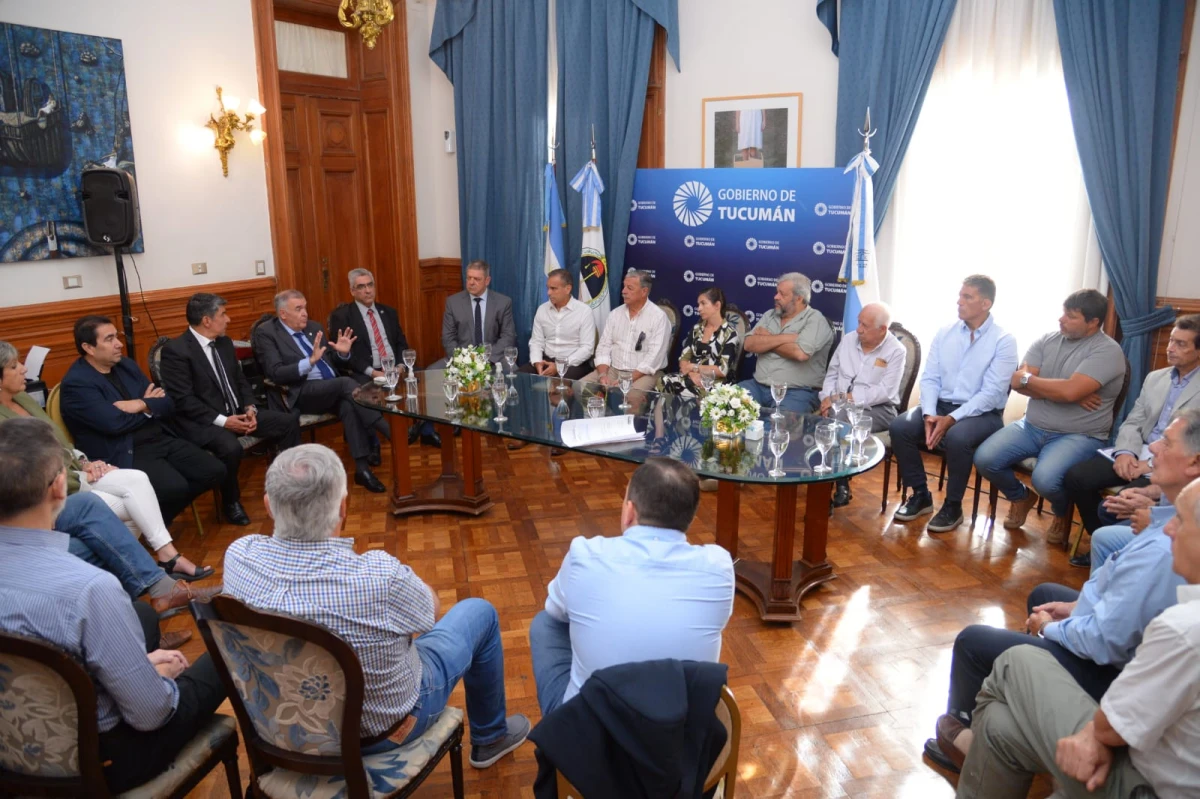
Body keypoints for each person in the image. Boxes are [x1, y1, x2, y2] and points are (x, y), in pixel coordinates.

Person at [923, 409, 1200, 774]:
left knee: (973, 641)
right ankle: (1027, 700)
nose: (1154, 446)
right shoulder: (1170, 516)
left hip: (1112, 671)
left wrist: (1046, 628)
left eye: (1166, 442)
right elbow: (1118, 597)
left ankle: (967, 742)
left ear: (1194, 463)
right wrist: (1076, 606)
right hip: (1119, 643)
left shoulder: (1167, 546)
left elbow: (1107, 639)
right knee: (1045, 594)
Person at [223, 444, 529, 768]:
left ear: (268, 506)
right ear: (343, 506)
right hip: (382, 732)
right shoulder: (377, 577)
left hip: (281, 729)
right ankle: (491, 737)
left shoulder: (239, 557)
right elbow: (430, 613)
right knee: (479, 612)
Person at [0, 417, 227, 793]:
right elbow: (151, 716)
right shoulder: (90, 589)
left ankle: (133, 669)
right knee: (227, 646)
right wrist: (156, 678)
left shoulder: (88, 592)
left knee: (140, 616)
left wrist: (136, 668)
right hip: (101, 761)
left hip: (13, 747)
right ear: (60, 486)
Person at [950, 475, 1200, 799]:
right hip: (1153, 754)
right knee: (998, 726)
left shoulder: (1184, 628)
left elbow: (1111, 724)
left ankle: (968, 731)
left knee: (1017, 658)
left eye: (1179, 521)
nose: (1167, 529)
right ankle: (980, 736)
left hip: (1146, 784)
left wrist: (1096, 735)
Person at [529, 458, 734, 717]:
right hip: (683, 743)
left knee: (545, 624)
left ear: (629, 511)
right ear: (689, 518)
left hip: (589, 738)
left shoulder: (585, 555)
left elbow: (556, 611)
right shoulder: (719, 567)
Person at [0, 340, 211, 580]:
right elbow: (27, 472)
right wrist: (80, 475)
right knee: (132, 508)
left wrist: (85, 462)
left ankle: (164, 557)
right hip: (46, 495)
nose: (24, 369)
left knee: (137, 480)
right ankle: (145, 567)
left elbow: (59, 442)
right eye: (14, 366)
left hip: (75, 471)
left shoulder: (22, 398)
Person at [974, 289, 1126, 544]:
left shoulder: (1107, 351)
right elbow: (1015, 382)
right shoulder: (1046, 340)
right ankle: (1020, 497)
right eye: (1063, 313)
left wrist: (1037, 383)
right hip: (1031, 426)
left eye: (1071, 316)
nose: (1061, 320)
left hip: (1079, 435)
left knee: (1045, 480)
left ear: (1093, 323)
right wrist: (1068, 392)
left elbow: (1051, 387)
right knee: (984, 458)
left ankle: (1061, 510)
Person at [59, 315, 227, 527]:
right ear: (88, 348)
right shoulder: (77, 383)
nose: (119, 344)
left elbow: (167, 403)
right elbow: (114, 424)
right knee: (174, 487)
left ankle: (151, 520)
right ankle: (148, 525)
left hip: (159, 437)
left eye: (117, 337)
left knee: (215, 470)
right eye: (109, 339)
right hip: (123, 449)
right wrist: (149, 406)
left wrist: (139, 404)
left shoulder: (126, 366)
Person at [1063, 314, 1200, 565]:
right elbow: (1134, 420)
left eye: (1181, 344)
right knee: (1077, 477)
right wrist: (1126, 452)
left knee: (1115, 505)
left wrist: (1148, 465)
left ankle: (1122, 551)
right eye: (1171, 341)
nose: (1170, 348)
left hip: (1171, 460)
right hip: (1140, 449)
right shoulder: (1156, 377)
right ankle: (1103, 542)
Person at [890, 276, 1018, 533]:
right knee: (900, 426)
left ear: (985, 303)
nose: (958, 302)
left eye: (967, 297)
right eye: (960, 295)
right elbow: (930, 378)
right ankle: (921, 495)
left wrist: (952, 418)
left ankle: (953, 506)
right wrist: (928, 413)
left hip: (982, 414)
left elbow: (992, 394)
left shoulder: (1003, 340)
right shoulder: (945, 332)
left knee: (958, 437)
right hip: (939, 407)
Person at [160, 293, 301, 525]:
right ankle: (231, 502)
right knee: (229, 448)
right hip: (204, 422)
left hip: (239, 412)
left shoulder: (224, 343)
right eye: (223, 314)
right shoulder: (176, 351)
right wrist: (224, 422)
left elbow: (240, 380)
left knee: (288, 422)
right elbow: (184, 401)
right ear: (207, 320)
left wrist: (250, 407)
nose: (229, 319)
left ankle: (288, 489)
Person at [252, 289, 390, 493]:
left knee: (348, 405)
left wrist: (342, 354)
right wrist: (308, 362)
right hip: (299, 391)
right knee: (346, 384)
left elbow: (331, 361)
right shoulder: (267, 333)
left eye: (305, 307)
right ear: (283, 314)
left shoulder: (313, 327)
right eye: (298, 309)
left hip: (329, 389)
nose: (305, 313)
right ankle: (390, 431)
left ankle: (362, 470)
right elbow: (275, 372)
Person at [328, 268, 440, 448]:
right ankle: (373, 444)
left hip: (395, 367)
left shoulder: (388, 312)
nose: (367, 290)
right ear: (352, 291)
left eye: (370, 285)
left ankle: (426, 431)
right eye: (361, 286)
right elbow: (346, 355)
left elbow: (401, 343)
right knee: (361, 392)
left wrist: (400, 366)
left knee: (424, 378)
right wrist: (373, 372)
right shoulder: (342, 316)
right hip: (365, 370)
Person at [819, 302, 906, 508]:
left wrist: (842, 399)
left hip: (879, 409)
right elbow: (831, 373)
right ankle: (835, 482)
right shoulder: (849, 340)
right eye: (859, 322)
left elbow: (885, 392)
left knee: (839, 421)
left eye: (865, 326)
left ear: (882, 329)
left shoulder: (896, 351)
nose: (859, 329)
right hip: (838, 404)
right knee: (829, 421)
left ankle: (832, 485)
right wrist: (825, 398)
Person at [738, 272, 833, 415]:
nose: (776, 297)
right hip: (757, 387)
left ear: (799, 298)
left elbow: (800, 353)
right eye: (777, 292)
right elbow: (749, 344)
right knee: (724, 406)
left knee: (780, 428)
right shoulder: (770, 315)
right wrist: (786, 338)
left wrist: (767, 339)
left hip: (796, 392)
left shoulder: (815, 319)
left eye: (782, 294)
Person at [580, 270, 671, 393]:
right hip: (613, 370)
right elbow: (603, 347)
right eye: (624, 286)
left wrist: (628, 379)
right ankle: (598, 412)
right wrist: (602, 375)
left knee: (631, 397)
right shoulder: (615, 314)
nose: (623, 291)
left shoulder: (658, 317)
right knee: (580, 387)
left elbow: (653, 358)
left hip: (644, 374)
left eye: (630, 288)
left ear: (644, 291)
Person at [433, 260, 517, 368]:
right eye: (469, 278)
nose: (471, 282)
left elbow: (508, 336)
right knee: (431, 372)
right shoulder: (453, 302)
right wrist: (462, 359)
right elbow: (448, 338)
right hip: (462, 360)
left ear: (487, 281)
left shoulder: (503, 302)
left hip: (493, 359)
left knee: (513, 371)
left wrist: (486, 358)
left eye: (476, 279)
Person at [659, 287, 739, 398]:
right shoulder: (696, 329)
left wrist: (694, 368)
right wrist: (692, 374)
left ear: (717, 306)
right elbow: (683, 359)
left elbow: (721, 370)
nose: (699, 308)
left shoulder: (730, 333)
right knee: (664, 381)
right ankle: (663, 416)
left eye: (703, 303)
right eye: (698, 304)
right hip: (690, 376)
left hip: (715, 381)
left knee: (697, 391)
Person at [522, 268, 596, 382]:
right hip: (546, 361)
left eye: (553, 289)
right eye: (548, 288)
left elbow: (587, 348)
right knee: (519, 378)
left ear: (568, 289)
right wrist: (537, 362)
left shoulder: (584, 311)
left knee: (559, 383)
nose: (548, 293)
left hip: (573, 364)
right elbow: (536, 341)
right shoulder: (542, 309)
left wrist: (560, 366)